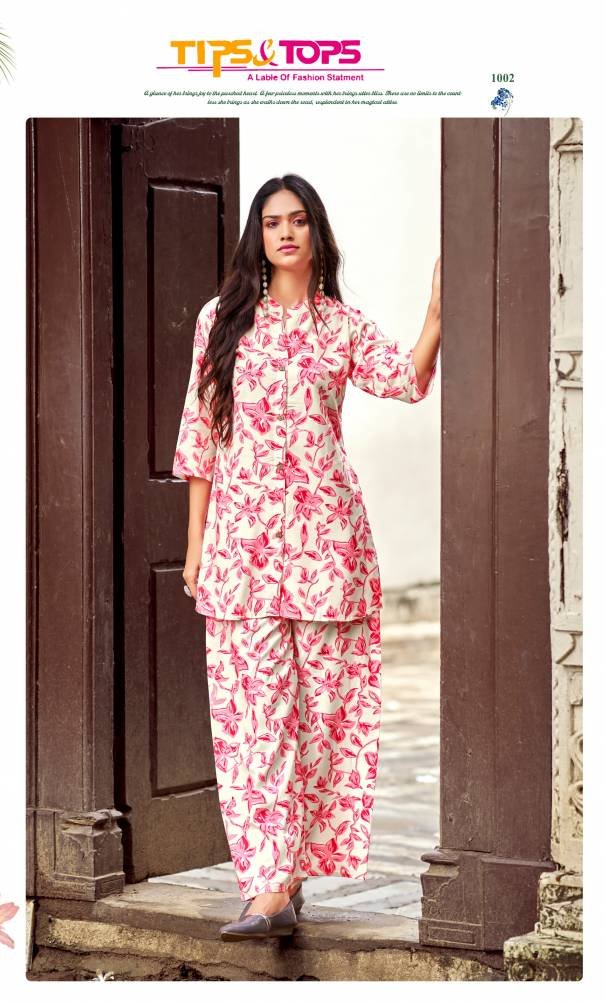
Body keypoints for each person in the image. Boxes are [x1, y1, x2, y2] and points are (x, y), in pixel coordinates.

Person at [172, 173, 441, 941]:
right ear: (257, 238)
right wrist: (194, 545)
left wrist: (434, 310)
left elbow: (406, 379)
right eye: (271, 223)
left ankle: (289, 878)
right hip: (241, 552)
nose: (284, 232)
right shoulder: (221, 320)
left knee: (320, 718)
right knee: (253, 720)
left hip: (327, 551)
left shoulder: (341, 328)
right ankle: (264, 886)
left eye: (296, 220)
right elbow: (200, 436)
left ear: (316, 233)